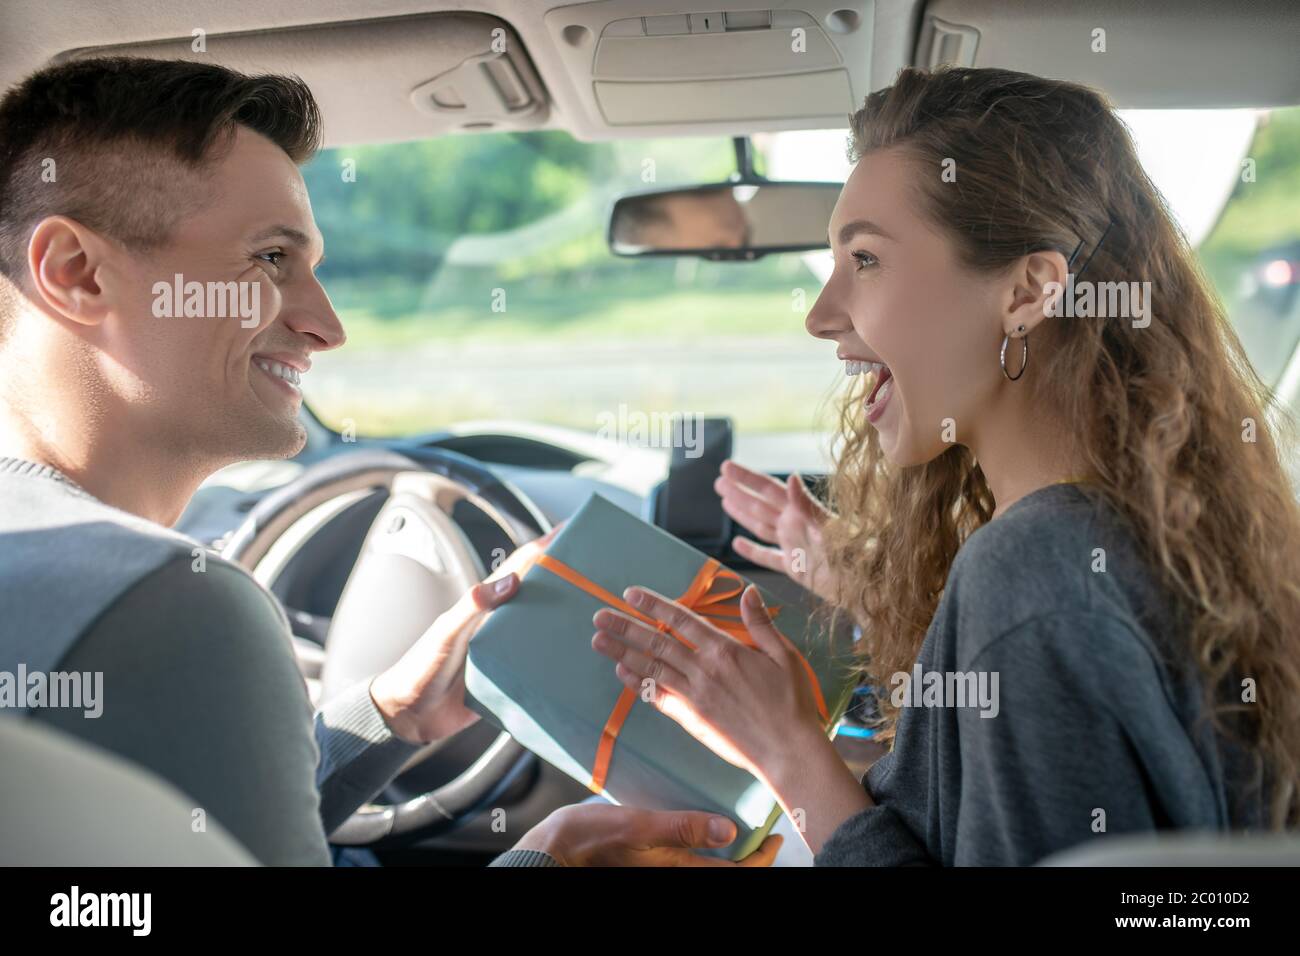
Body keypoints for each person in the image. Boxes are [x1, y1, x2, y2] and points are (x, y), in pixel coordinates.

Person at [0, 56, 780, 868]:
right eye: (270, 259)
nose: (327, 326)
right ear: (78, 274)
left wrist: (389, 719)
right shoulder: (171, 612)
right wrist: (552, 860)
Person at [591, 66, 1300, 865]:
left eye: (864, 260)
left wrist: (787, 751)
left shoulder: (1031, 572)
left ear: (1029, 293)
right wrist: (865, 591)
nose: (821, 316)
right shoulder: (1129, 541)